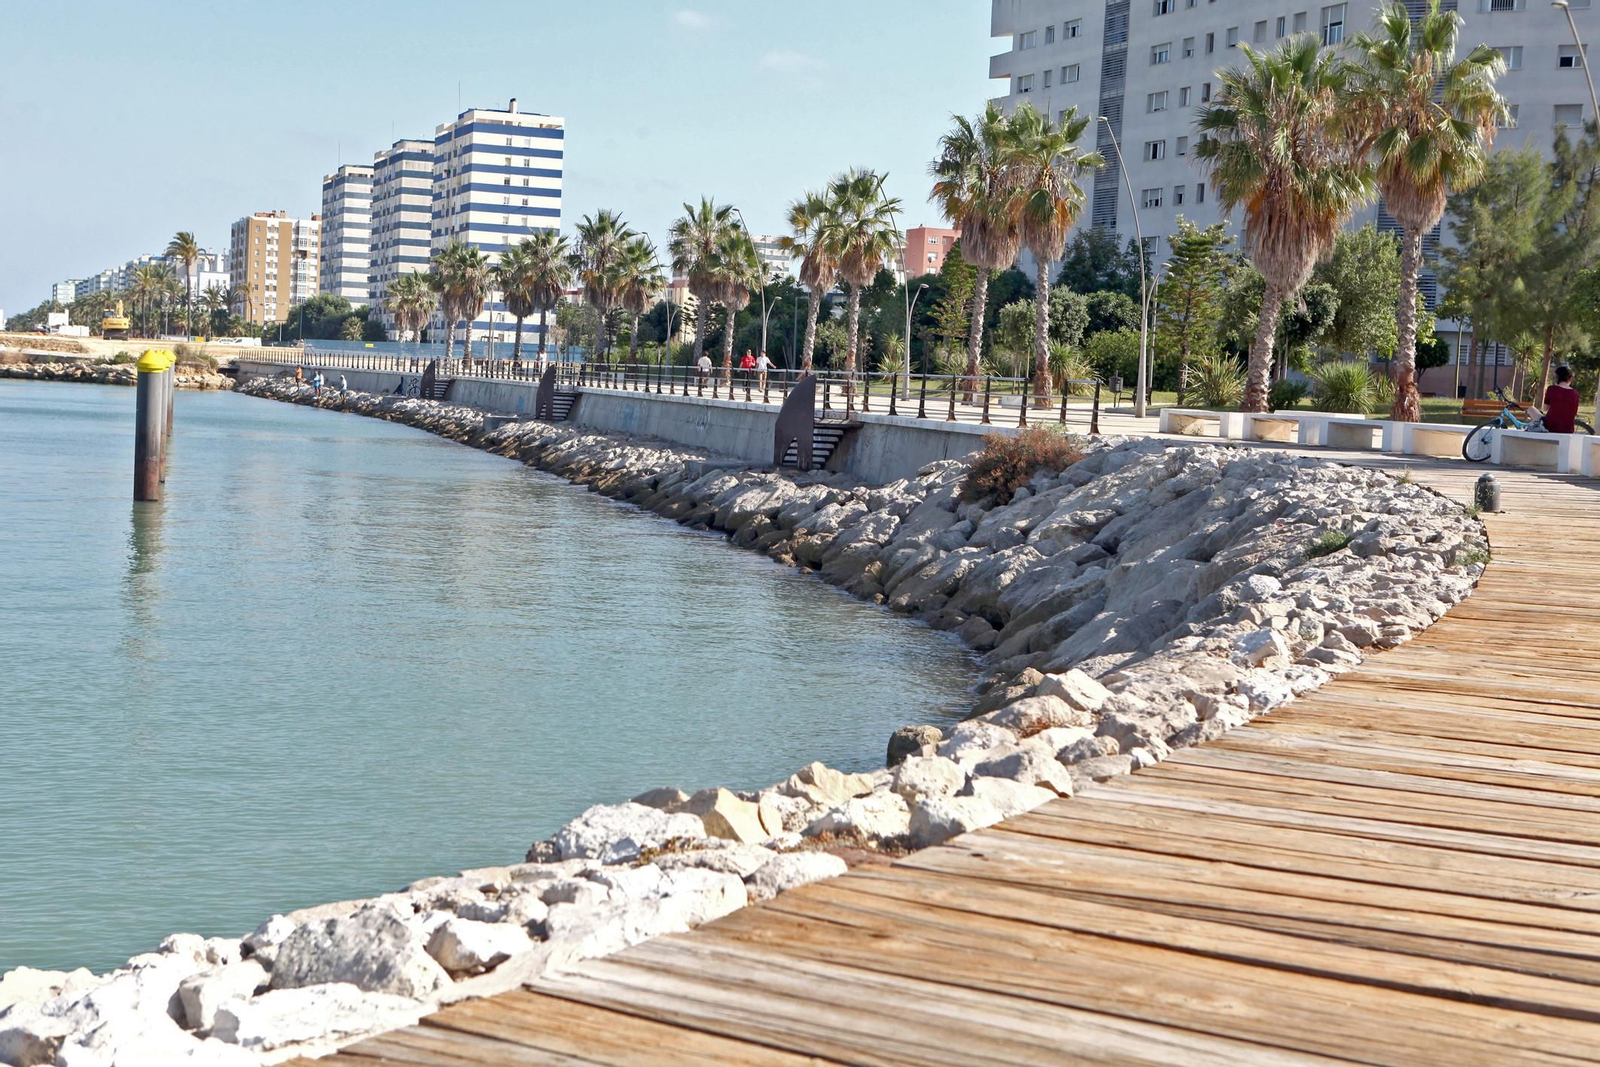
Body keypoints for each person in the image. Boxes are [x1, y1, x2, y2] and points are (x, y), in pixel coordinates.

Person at [1543, 365, 1581, 434]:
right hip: (1568, 429)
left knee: (1531, 409)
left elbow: (1545, 408)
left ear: (1557, 377)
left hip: (1550, 427)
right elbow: (1574, 412)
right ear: (1570, 379)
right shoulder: (1575, 393)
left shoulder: (1551, 389)